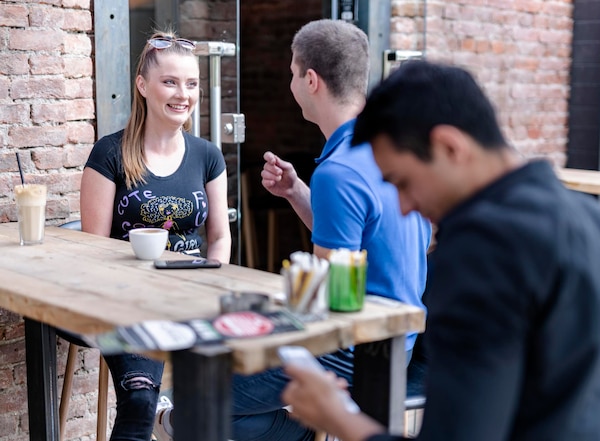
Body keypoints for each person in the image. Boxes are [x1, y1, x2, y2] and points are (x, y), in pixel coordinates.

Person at [281, 60, 600, 441]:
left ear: (449, 146)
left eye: (403, 182)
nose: (405, 206)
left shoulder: (482, 250)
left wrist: (339, 418)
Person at [229, 19, 432, 441]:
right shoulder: (387, 146)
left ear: (310, 79)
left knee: (198, 394)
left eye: (290, 73)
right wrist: (298, 193)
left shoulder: (339, 171)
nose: (290, 83)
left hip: (356, 351)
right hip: (401, 342)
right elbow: (356, 250)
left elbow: (325, 307)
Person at [80, 30, 231, 441]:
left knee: (241, 390)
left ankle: (174, 419)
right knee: (140, 401)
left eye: (192, 83)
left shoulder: (207, 156)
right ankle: (162, 414)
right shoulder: (109, 154)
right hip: (128, 303)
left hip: (191, 298)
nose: (183, 94)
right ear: (143, 86)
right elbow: (90, 250)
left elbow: (218, 238)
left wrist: (212, 289)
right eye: (170, 82)